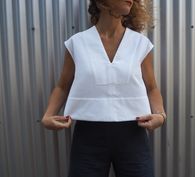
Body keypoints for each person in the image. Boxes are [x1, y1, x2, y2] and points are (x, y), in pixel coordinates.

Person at [41, 0, 166, 177]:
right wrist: (48, 115)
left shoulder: (140, 44)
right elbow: (63, 85)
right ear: (102, 3)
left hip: (133, 134)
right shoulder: (77, 43)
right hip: (88, 136)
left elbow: (152, 87)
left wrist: (160, 115)